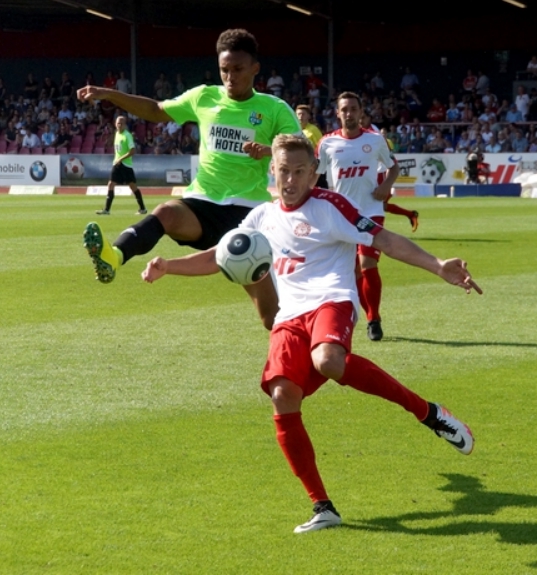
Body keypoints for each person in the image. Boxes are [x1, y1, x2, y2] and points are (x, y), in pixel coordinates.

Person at [140, 133, 480, 534]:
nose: (290, 179)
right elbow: (219, 256)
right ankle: (323, 506)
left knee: (328, 360)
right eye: (284, 170)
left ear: (314, 173)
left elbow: (385, 239)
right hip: (290, 317)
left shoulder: (331, 206)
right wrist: (169, 267)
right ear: (273, 170)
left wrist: (438, 264)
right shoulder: (261, 217)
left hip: (331, 302)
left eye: (300, 171)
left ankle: (427, 412)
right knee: (282, 395)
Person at [77, 28, 298, 330]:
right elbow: (156, 110)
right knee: (166, 212)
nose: (230, 77)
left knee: (272, 316)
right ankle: (113, 257)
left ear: (255, 69)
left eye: (238, 69)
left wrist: (271, 150)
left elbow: (302, 153)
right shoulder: (204, 97)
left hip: (250, 215)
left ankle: (295, 352)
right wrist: (111, 95)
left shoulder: (274, 109)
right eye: (224, 70)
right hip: (202, 204)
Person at [317, 92, 400, 341]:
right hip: (341, 214)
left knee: (367, 264)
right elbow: (316, 174)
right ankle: (367, 315)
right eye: (345, 109)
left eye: (354, 109)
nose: (349, 114)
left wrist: (386, 186)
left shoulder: (375, 141)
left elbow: (393, 167)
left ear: (361, 112)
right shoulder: (327, 143)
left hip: (371, 211)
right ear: (338, 113)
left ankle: (373, 319)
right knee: (352, 272)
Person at [96, 115, 148, 216]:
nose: (119, 125)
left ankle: (142, 209)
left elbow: (132, 151)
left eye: (121, 123)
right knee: (110, 184)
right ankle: (106, 210)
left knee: (133, 186)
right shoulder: (117, 134)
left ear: (124, 125)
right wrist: (117, 159)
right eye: (117, 123)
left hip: (126, 165)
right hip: (117, 163)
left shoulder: (127, 135)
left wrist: (121, 158)